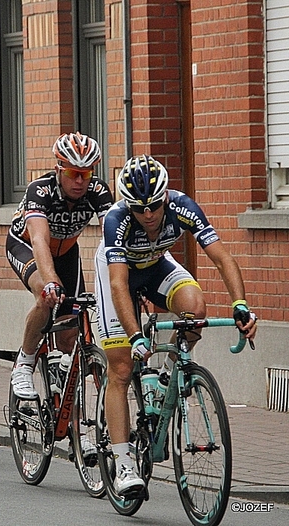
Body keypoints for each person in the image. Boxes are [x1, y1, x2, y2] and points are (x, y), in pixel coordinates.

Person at [94, 154, 258, 496]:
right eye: (140, 208)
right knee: (122, 367)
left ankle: (167, 376)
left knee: (195, 308)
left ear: (166, 197)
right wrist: (136, 335)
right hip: (118, 276)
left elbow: (222, 257)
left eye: (154, 205)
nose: (149, 214)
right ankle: (124, 463)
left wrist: (240, 305)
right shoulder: (116, 220)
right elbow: (119, 285)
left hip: (156, 265)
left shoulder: (183, 207)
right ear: (128, 205)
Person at [6, 132, 113, 404]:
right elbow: (40, 239)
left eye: (86, 174)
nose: (80, 181)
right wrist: (52, 281)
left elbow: (113, 239)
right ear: (59, 169)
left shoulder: (98, 192)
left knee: (69, 336)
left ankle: (71, 416)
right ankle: (24, 363)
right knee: (45, 293)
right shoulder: (40, 191)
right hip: (27, 246)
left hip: (67, 253)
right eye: (73, 173)